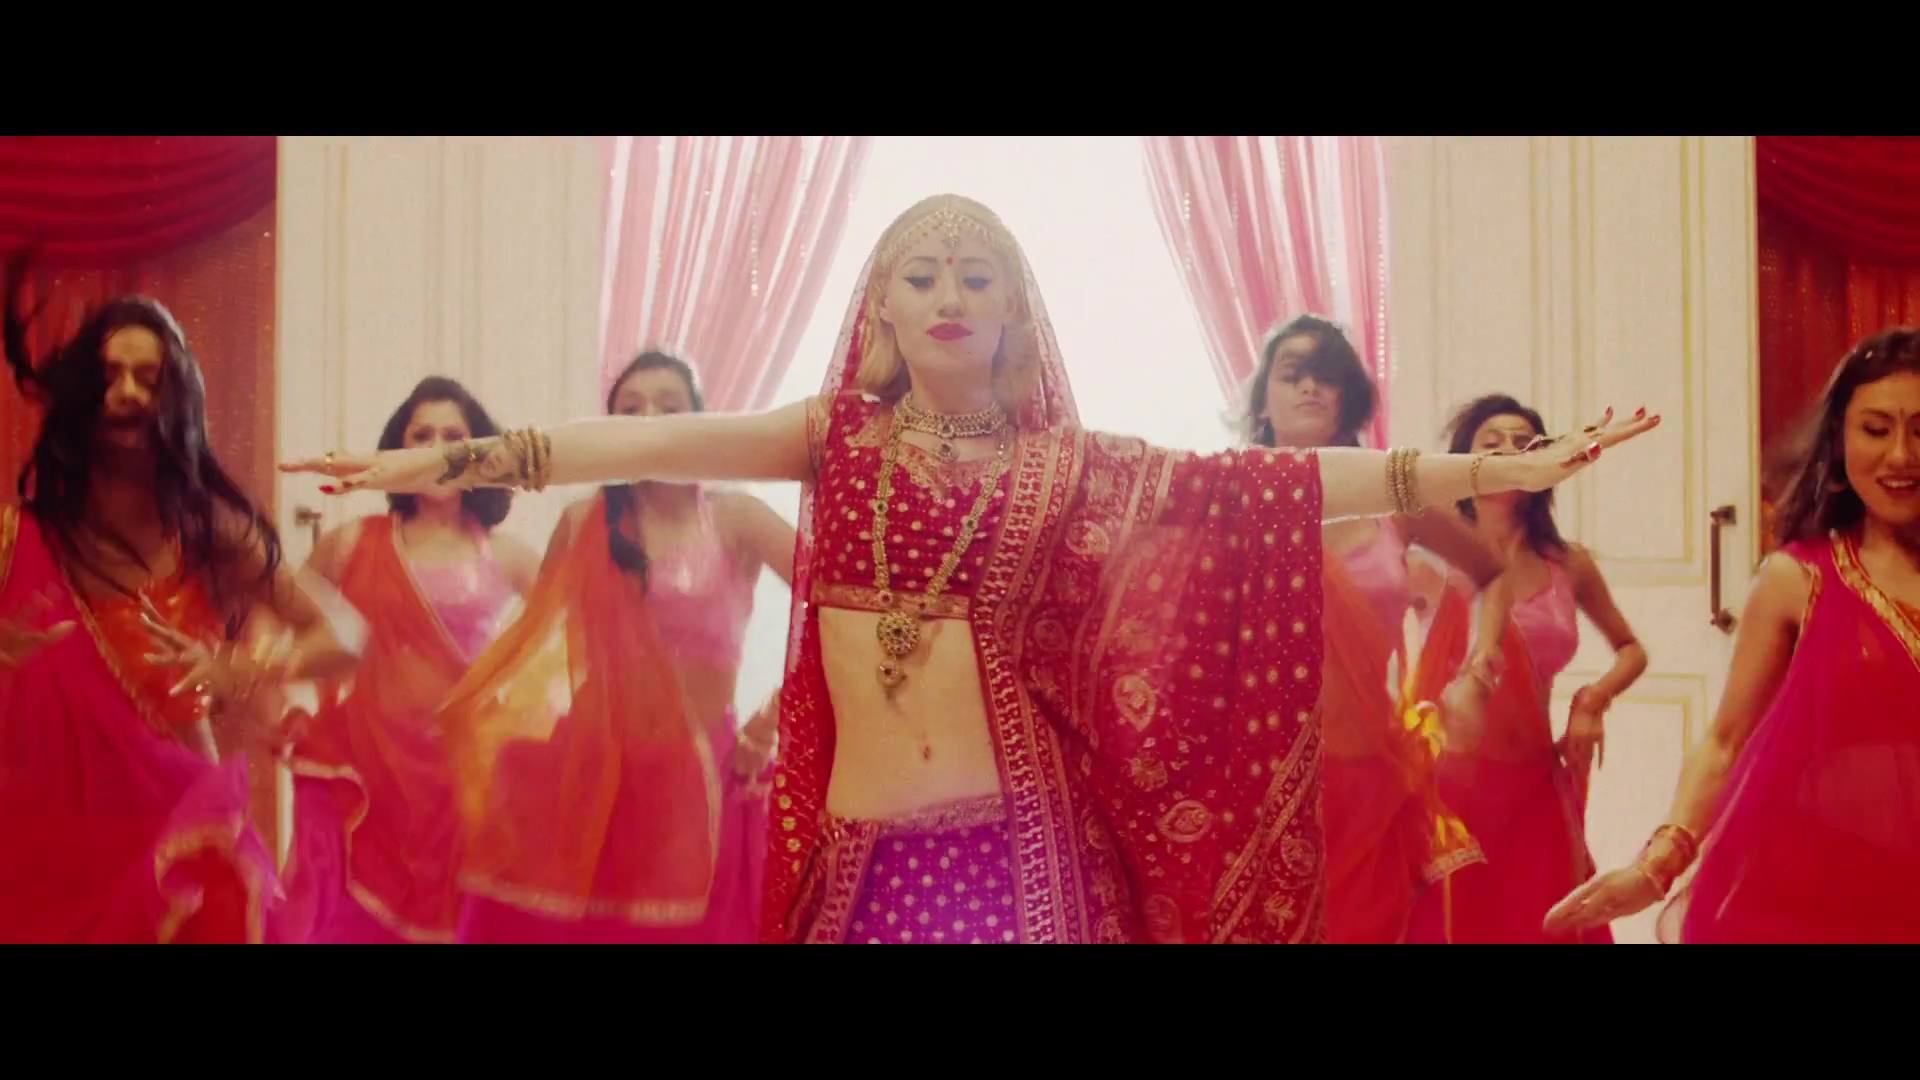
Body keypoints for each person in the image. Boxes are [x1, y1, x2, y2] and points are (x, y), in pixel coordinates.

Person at [283, 194, 1660, 943]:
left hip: (1020, 861)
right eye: (922, 274)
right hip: (860, 863)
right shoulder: (832, 437)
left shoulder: (1066, 467)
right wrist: (450, 462)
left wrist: (1469, 473)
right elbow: (632, 444)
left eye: (977, 277)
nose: (948, 294)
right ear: (880, 310)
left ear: (1016, 314)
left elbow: (1267, 488)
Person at [0, 255, 362, 944]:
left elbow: (344, 634)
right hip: (46, 849)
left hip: (178, 837)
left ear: (179, 399)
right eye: (109, 376)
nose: (127, 394)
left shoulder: (207, 532)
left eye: (150, 378)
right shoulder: (18, 539)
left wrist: (241, 668)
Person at [1547, 327, 1920, 944]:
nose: (1901, 456)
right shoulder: (1800, 579)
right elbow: (1726, 741)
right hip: (1820, 894)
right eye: (1876, 430)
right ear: (1839, 441)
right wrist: (1656, 867)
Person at [447, 351, 794, 943]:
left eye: (668, 406)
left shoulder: (737, 518)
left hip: (701, 783)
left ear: (702, 421)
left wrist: (769, 723)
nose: (648, 420)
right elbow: (536, 648)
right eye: (629, 409)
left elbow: (840, 607)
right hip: (593, 785)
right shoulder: (581, 523)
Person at [1247, 315, 1508, 943]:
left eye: (1328, 376)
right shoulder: (1226, 496)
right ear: (1262, 399)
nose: (1311, 387)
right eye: (1293, 373)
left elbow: (1492, 573)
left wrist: (1477, 673)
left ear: (1351, 398)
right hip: (1254, 782)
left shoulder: (1395, 496)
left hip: (1364, 776)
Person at [290, 376, 539, 944]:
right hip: (368, 769)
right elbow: (282, 623)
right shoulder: (351, 542)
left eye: (454, 436)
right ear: (396, 450)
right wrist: (277, 702)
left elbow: (573, 637)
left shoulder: (507, 555)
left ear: (481, 450)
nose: (436, 448)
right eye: (421, 435)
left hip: (462, 781)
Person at [1404, 393, 1647, 944]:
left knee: (1544, 924)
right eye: (1492, 443)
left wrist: (1592, 700)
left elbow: (1632, 649)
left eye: (1525, 442)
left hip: (1535, 781)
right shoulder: (1429, 560)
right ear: (1464, 460)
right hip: (1450, 791)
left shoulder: (1567, 563)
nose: (1510, 452)